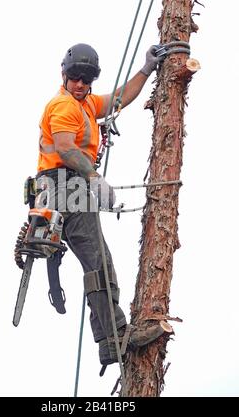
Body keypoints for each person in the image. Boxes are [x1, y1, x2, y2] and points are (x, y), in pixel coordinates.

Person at [35, 43, 167, 369]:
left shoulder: (85, 103)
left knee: (101, 261)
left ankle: (111, 341)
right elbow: (65, 149)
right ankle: (115, 336)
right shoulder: (63, 106)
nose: (81, 84)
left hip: (71, 186)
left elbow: (118, 99)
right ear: (64, 75)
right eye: (76, 78)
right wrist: (94, 177)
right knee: (98, 263)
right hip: (64, 186)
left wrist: (147, 68)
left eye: (87, 79)